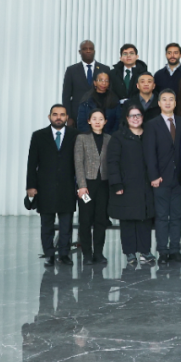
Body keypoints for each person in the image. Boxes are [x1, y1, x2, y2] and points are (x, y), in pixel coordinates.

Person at [26, 105, 78, 266]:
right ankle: (49, 254)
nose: (58, 117)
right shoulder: (38, 136)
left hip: (67, 186)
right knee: (47, 224)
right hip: (45, 187)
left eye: (62, 114)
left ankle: (64, 254)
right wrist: (30, 186)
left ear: (67, 117)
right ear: (49, 117)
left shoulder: (75, 135)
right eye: (55, 114)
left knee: (66, 224)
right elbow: (32, 163)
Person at [106, 104, 156, 266]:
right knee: (127, 220)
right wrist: (116, 183)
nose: (135, 118)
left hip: (146, 185)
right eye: (132, 115)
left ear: (143, 117)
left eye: (138, 115)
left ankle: (145, 251)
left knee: (145, 219)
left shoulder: (149, 134)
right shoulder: (118, 137)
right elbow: (112, 162)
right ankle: (130, 253)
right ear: (126, 118)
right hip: (126, 185)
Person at [144, 89, 181, 265]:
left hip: (180, 179)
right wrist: (153, 176)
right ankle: (162, 251)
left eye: (171, 99)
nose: (168, 102)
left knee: (176, 217)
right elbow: (149, 153)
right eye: (164, 100)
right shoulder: (152, 124)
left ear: (175, 103)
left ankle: (175, 250)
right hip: (160, 178)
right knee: (161, 217)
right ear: (159, 103)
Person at [74, 109, 112, 264]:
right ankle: (87, 254)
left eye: (101, 119)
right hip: (87, 185)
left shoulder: (109, 139)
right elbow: (78, 163)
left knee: (101, 219)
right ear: (89, 121)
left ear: (105, 122)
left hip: (104, 184)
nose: (97, 121)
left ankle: (98, 253)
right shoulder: (82, 138)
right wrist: (81, 185)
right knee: (85, 219)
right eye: (94, 118)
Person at [61, 40, 110, 124]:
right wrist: (68, 117)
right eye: (85, 49)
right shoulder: (71, 70)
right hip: (77, 115)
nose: (88, 51)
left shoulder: (104, 69)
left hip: (100, 114)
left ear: (94, 51)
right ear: (80, 52)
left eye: (90, 49)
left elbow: (109, 93)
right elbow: (66, 96)